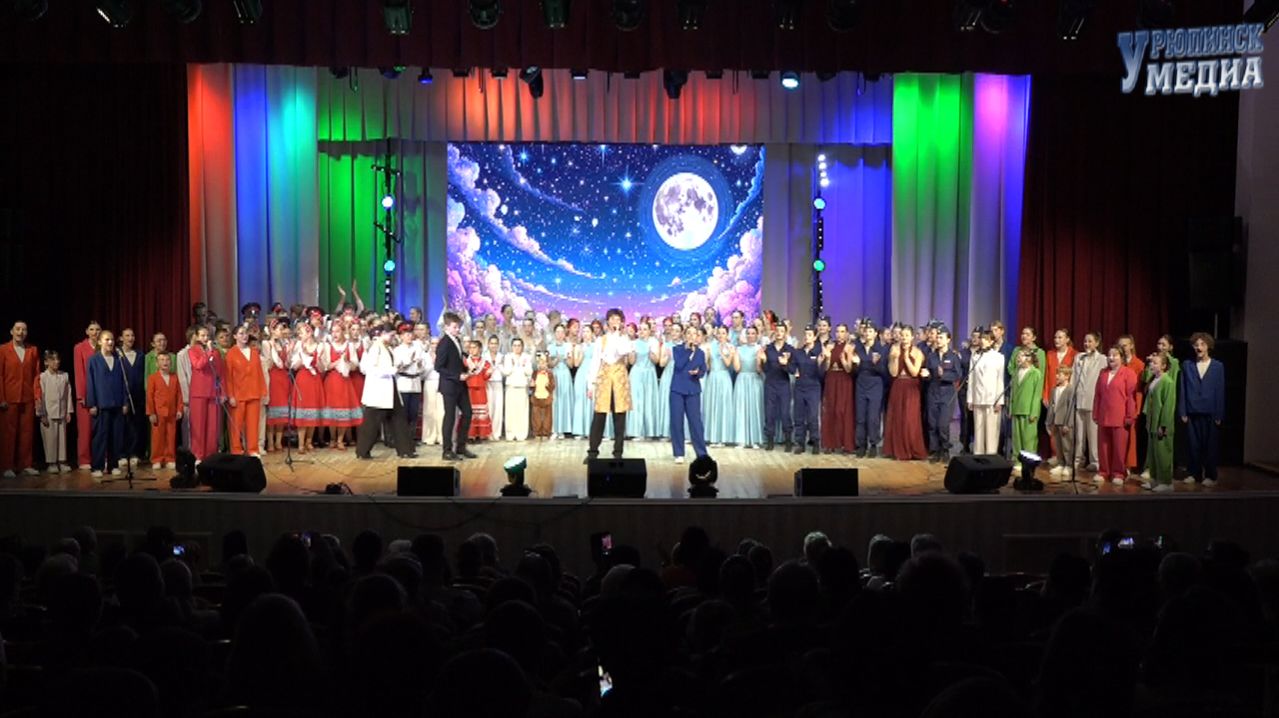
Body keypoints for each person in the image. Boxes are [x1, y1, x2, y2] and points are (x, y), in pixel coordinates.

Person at [356, 325, 415, 460]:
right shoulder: (375, 348)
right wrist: (391, 370)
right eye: (391, 335)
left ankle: (405, 450)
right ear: (382, 333)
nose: (393, 338)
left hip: (390, 388)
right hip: (378, 391)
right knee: (372, 422)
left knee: (399, 418)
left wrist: (405, 362)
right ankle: (362, 450)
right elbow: (370, 368)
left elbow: (394, 364)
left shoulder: (387, 348)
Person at [585, 309, 634, 463]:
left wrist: (618, 334)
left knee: (619, 418)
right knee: (599, 417)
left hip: (619, 380)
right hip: (604, 380)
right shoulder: (601, 340)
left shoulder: (625, 339)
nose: (614, 322)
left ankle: (618, 452)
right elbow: (595, 362)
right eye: (612, 319)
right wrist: (590, 384)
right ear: (607, 322)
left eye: (617, 319)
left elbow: (622, 351)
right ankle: (593, 452)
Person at [1178, 332, 1225, 487]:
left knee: (1210, 446)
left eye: (1202, 344)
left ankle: (1211, 475)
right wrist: (1183, 411)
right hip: (1192, 411)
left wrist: (1219, 413)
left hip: (1210, 411)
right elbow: (1183, 389)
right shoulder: (1187, 365)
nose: (1199, 348)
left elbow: (1220, 390)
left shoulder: (1217, 366)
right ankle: (1194, 473)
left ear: (1208, 347)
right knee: (1193, 445)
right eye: (1196, 345)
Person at [85, 330, 128, 479]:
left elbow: (123, 382)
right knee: (100, 437)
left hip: (116, 404)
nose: (110, 342)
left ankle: (113, 465)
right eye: (107, 340)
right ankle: (97, 466)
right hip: (101, 405)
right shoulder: (94, 360)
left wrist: (124, 402)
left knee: (115, 436)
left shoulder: (118, 359)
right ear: (100, 342)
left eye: (112, 340)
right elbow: (90, 383)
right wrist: (92, 403)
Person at [0, 321, 40, 479]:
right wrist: (1, 397)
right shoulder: (3, 350)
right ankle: (7, 465)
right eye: (18, 329)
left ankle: (26, 465)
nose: (21, 332)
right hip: (9, 397)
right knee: (8, 434)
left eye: (24, 329)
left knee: (27, 433)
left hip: (27, 397)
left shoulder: (32, 350)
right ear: (11, 331)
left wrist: (37, 396)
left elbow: (36, 375)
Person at [1093, 346, 1138, 487]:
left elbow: (1131, 397)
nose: (1111, 357)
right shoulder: (1103, 373)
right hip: (1103, 415)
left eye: (1115, 355)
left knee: (1119, 448)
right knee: (1103, 446)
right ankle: (1103, 472)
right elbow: (1098, 395)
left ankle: (1118, 473)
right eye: (1109, 355)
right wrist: (1095, 412)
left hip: (1120, 417)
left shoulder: (1128, 373)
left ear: (1122, 357)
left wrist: (1130, 415)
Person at [883, 325, 927, 461]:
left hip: (911, 387)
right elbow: (893, 373)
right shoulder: (894, 349)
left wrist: (907, 358)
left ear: (912, 337)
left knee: (910, 418)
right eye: (902, 335)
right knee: (897, 417)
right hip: (898, 386)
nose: (904, 338)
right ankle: (897, 449)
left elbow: (914, 372)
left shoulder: (918, 352)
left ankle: (911, 449)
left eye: (907, 335)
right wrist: (895, 359)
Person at [435, 312, 475, 462]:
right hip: (450, 386)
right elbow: (439, 367)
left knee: (468, 412)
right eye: (454, 327)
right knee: (450, 417)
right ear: (446, 327)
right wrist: (457, 376)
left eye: (458, 327)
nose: (458, 329)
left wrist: (467, 365)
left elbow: (456, 359)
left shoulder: (456, 340)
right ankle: (447, 450)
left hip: (460, 385)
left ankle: (461, 446)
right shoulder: (444, 343)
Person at [225, 325, 268, 458]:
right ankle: (236, 450)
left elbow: (259, 373)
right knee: (236, 425)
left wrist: (263, 391)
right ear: (235, 336)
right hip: (238, 394)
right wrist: (230, 395)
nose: (244, 336)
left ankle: (253, 449)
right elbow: (228, 376)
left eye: (246, 333)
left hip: (254, 392)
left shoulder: (254, 352)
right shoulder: (231, 353)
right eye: (241, 333)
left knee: (253, 423)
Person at [670, 325, 710, 465]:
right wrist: (689, 352)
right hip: (677, 389)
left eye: (695, 334)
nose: (692, 336)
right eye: (689, 333)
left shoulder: (700, 353)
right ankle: (679, 453)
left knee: (695, 422)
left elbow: (703, 369)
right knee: (676, 421)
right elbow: (679, 365)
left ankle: (701, 453)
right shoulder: (677, 349)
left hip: (693, 390)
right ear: (685, 335)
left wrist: (698, 373)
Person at [925, 326, 962, 463]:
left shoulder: (953, 357)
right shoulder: (931, 356)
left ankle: (945, 449)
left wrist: (943, 375)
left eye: (941, 337)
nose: (938, 340)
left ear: (948, 339)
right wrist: (926, 375)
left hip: (947, 394)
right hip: (933, 392)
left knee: (943, 424)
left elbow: (958, 375)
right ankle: (935, 450)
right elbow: (928, 373)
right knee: (932, 424)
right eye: (937, 337)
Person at [321, 323, 360, 450]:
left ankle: (340, 439)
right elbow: (326, 366)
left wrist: (347, 362)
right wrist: (338, 361)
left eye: (337, 331)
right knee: (332, 409)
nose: (335, 334)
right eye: (333, 331)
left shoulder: (350, 345)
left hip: (344, 381)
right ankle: (332, 438)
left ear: (343, 332)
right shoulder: (328, 346)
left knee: (343, 409)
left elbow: (355, 365)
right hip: (332, 380)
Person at [187, 326, 223, 463]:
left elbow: (220, 371)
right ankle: (198, 454)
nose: (205, 338)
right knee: (199, 425)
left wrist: (222, 391)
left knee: (212, 426)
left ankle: (211, 454)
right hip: (199, 392)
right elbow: (198, 365)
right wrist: (207, 352)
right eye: (202, 335)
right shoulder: (192, 351)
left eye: (207, 335)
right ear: (196, 336)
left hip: (213, 392)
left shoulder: (215, 351)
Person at [966, 329, 1005, 456]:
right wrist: (970, 399)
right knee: (978, 429)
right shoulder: (975, 356)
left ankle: (991, 455)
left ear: (992, 341)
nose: (983, 341)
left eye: (986, 339)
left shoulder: (998, 357)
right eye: (982, 338)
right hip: (978, 397)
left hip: (992, 399)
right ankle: (978, 454)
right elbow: (971, 379)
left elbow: (1000, 380)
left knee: (991, 430)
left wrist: (999, 400)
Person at [289, 322, 325, 454]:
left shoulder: (320, 346)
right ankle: (301, 443)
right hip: (303, 379)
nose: (300, 335)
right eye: (299, 333)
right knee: (303, 412)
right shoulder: (298, 346)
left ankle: (309, 441)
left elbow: (322, 368)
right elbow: (294, 366)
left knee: (313, 410)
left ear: (309, 333)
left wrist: (317, 359)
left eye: (302, 332)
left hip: (314, 380)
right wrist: (302, 357)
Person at [819, 323, 856, 455]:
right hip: (831, 379)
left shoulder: (849, 347)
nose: (839, 334)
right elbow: (825, 367)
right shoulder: (830, 346)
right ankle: (830, 443)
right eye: (838, 331)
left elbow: (849, 369)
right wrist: (828, 358)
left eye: (842, 331)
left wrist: (844, 359)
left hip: (844, 380)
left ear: (847, 333)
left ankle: (846, 444)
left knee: (842, 411)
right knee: (831, 410)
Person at [35, 350, 73, 474]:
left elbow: (68, 394)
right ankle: (51, 463)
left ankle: (62, 461)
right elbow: (40, 396)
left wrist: (68, 411)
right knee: (50, 439)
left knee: (62, 439)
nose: (56, 362)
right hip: (48, 413)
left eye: (57, 359)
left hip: (61, 412)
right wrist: (42, 414)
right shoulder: (43, 377)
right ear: (46, 362)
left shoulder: (64, 376)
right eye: (53, 359)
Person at [789, 326, 825, 456]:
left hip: (813, 387)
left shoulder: (819, 352)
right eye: (805, 334)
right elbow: (791, 367)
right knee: (799, 416)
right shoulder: (798, 352)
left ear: (815, 337)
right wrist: (792, 369)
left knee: (812, 416)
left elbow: (822, 374)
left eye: (809, 334)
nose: (806, 337)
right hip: (800, 387)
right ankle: (800, 443)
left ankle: (815, 442)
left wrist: (820, 363)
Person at [853, 322, 887, 458]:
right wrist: (856, 365)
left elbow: (884, 371)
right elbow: (854, 372)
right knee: (860, 417)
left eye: (870, 331)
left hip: (875, 385)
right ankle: (861, 445)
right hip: (861, 384)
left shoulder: (881, 350)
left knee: (873, 417)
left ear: (875, 334)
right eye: (866, 331)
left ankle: (873, 444)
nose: (867, 334)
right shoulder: (858, 348)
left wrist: (875, 364)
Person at [1071, 332, 1104, 472]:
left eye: (1090, 341)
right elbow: (1073, 378)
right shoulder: (1079, 357)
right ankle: (1078, 460)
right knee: (1079, 435)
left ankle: (1095, 461)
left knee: (1093, 435)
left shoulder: (1103, 359)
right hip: (1079, 401)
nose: (1087, 344)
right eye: (1085, 341)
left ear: (1097, 343)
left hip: (1093, 402)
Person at [1143, 352, 1176, 492]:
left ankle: (1166, 482)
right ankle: (1155, 479)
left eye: (1155, 363)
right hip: (1152, 423)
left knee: (1163, 453)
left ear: (1163, 366)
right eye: (1151, 362)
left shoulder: (1168, 382)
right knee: (1153, 453)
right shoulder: (1154, 379)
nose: (1152, 365)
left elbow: (1168, 405)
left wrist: (1163, 425)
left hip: (1161, 424)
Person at [146, 352, 183, 470]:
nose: (165, 362)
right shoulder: (153, 378)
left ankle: (169, 458)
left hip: (172, 412)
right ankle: (157, 459)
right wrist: (151, 413)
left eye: (167, 360)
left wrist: (179, 409)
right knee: (158, 437)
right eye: (162, 360)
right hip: (158, 413)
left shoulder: (174, 377)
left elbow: (179, 395)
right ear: (157, 363)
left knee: (171, 437)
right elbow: (149, 396)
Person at [1009, 348, 1044, 472]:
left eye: (1022, 356)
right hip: (1016, 409)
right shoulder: (1016, 372)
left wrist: (1034, 412)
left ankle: (1028, 463)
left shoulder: (1035, 373)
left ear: (1029, 358)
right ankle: (1017, 460)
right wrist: (1010, 409)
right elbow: (1012, 392)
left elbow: (1037, 395)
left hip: (1028, 411)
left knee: (1028, 439)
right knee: (1016, 438)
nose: (1018, 358)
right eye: (1018, 356)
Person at [73, 320, 102, 470]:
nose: (95, 332)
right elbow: (79, 373)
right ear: (87, 332)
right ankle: (84, 459)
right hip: (86, 394)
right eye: (92, 329)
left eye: (97, 330)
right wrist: (82, 395)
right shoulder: (80, 348)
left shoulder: (103, 347)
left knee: (101, 429)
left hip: (101, 394)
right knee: (85, 429)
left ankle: (101, 457)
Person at [762, 323, 795, 452]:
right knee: (769, 412)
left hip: (783, 384)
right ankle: (770, 440)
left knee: (785, 413)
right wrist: (763, 361)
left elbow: (793, 369)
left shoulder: (790, 349)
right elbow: (765, 369)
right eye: (777, 330)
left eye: (782, 331)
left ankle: (788, 440)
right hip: (770, 384)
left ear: (785, 333)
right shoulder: (768, 348)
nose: (779, 333)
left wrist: (785, 364)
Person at [702, 325, 736, 446]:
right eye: (719, 333)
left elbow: (728, 364)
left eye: (723, 333)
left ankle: (723, 437)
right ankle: (712, 437)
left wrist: (722, 352)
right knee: (712, 405)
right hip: (712, 377)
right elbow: (708, 365)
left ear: (727, 335)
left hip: (723, 377)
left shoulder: (731, 347)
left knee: (723, 406)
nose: (721, 336)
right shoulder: (711, 346)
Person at [1116, 335, 1146, 475]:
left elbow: (1139, 388)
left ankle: (1129, 464)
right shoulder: (1117, 363)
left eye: (1125, 345)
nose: (1122, 348)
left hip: (1132, 403)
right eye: (1120, 345)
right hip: (1118, 403)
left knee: (1131, 435)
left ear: (1131, 346)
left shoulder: (1138, 364)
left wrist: (1136, 408)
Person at [117, 328, 147, 466]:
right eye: (127, 335)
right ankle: (122, 454)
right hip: (123, 395)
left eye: (132, 335)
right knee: (123, 425)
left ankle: (134, 453)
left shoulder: (140, 355)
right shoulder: (118, 355)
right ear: (121, 338)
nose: (130, 338)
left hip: (138, 396)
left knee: (136, 425)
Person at [626, 321, 660, 440]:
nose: (642, 332)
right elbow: (631, 362)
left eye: (645, 329)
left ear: (649, 331)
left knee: (648, 401)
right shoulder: (633, 343)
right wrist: (632, 352)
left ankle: (649, 431)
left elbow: (656, 361)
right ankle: (636, 431)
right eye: (640, 329)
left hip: (649, 373)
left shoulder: (654, 342)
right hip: (636, 373)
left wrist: (651, 352)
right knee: (636, 401)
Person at [732, 325, 765, 449]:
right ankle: (741, 440)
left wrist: (759, 359)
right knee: (741, 408)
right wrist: (735, 355)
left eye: (753, 333)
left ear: (757, 335)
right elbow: (737, 368)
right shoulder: (739, 349)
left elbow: (759, 369)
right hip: (742, 379)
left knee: (755, 408)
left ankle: (755, 440)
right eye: (748, 333)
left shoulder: (760, 349)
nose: (750, 336)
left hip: (755, 379)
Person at [393, 322, 425, 443]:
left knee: (414, 413)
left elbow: (422, 367)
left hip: (415, 383)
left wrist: (420, 364)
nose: (409, 336)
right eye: (406, 334)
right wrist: (409, 361)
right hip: (403, 383)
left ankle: (411, 438)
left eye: (410, 334)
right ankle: (402, 439)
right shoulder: (397, 350)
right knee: (403, 413)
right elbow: (397, 368)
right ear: (401, 336)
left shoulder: (418, 347)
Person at [265, 321, 294, 453]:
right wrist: (273, 350)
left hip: (283, 378)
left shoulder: (284, 344)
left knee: (282, 411)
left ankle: (278, 441)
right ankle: (270, 442)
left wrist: (289, 352)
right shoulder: (267, 343)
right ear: (272, 330)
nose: (281, 332)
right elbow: (269, 363)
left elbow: (287, 364)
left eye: (282, 329)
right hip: (273, 377)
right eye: (279, 329)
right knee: (272, 412)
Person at [1046, 366, 1075, 477]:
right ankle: (1061, 463)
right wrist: (1049, 422)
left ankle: (1069, 465)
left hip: (1065, 422)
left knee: (1067, 445)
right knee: (1058, 445)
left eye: (1060, 374)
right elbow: (1051, 407)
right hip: (1056, 421)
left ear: (1067, 376)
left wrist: (1068, 424)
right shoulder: (1054, 390)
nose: (1057, 376)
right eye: (1057, 374)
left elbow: (1071, 408)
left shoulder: (1070, 390)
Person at [546, 324, 575, 439]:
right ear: (554, 334)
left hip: (565, 374)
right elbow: (549, 364)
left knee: (564, 400)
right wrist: (557, 359)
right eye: (557, 332)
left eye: (562, 332)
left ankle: (563, 429)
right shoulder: (550, 347)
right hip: (555, 375)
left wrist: (566, 358)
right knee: (555, 401)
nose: (559, 334)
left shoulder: (568, 346)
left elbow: (571, 365)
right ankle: (554, 429)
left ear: (564, 334)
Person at [502, 338, 533, 442]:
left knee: (522, 412)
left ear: (522, 347)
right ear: (512, 347)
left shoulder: (526, 357)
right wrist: (513, 364)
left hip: (522, 387)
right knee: (510, 412)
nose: (517, 348)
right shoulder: (508, 357)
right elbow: (506, 372)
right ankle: (510, 434)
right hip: (511, 386)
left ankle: (521, 433)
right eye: (515, 345)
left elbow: (529, 372)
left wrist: (523, 366)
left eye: (519, 345)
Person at [464, 340, 494, 441]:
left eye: (474, 347)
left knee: (481, 413)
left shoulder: (485, 363)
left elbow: (485, 377)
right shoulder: (466, 362)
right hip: (469, 389)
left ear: (480, 349)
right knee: (470, 412)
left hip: (481, 390)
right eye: (470, 348)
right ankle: (470, 434)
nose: (472, 350)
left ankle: (481, 434)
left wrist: (489, 373)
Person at [530, 352, 556, 441]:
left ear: (547, 364)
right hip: (536, 397)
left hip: (546, 397)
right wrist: (532, 386)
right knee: (536, 416)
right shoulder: (535, 373)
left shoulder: (550, 374)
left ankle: (546, 432)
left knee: (547, 417)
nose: (542, 365)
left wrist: (549, 385)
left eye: (544, 363)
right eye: (540, 363)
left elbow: (552, 386)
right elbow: (531, 385)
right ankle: (537, 432)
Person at [483, 335, 505, 440]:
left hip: (498, 382)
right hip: (488, 383)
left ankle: (496, 433)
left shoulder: (502, 356)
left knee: (498, 409)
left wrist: (500, 366)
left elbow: (505, 372)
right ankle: (488, 433)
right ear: (488, 345)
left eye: (495, 343)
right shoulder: (484, 356)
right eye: (491, 343)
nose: (493, 345)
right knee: (489, 408)